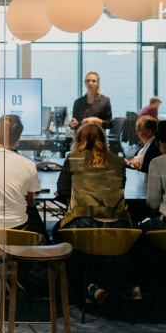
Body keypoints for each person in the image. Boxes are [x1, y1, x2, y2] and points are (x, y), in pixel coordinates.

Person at [53, 122, 130, 304]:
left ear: (79, 140)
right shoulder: (119, 161)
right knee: (100, 238)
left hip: (84, 221)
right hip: (119, 224)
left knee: (58, 232)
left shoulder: (73, 158)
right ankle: (91, 285)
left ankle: (81, 285)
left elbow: (62, 190)